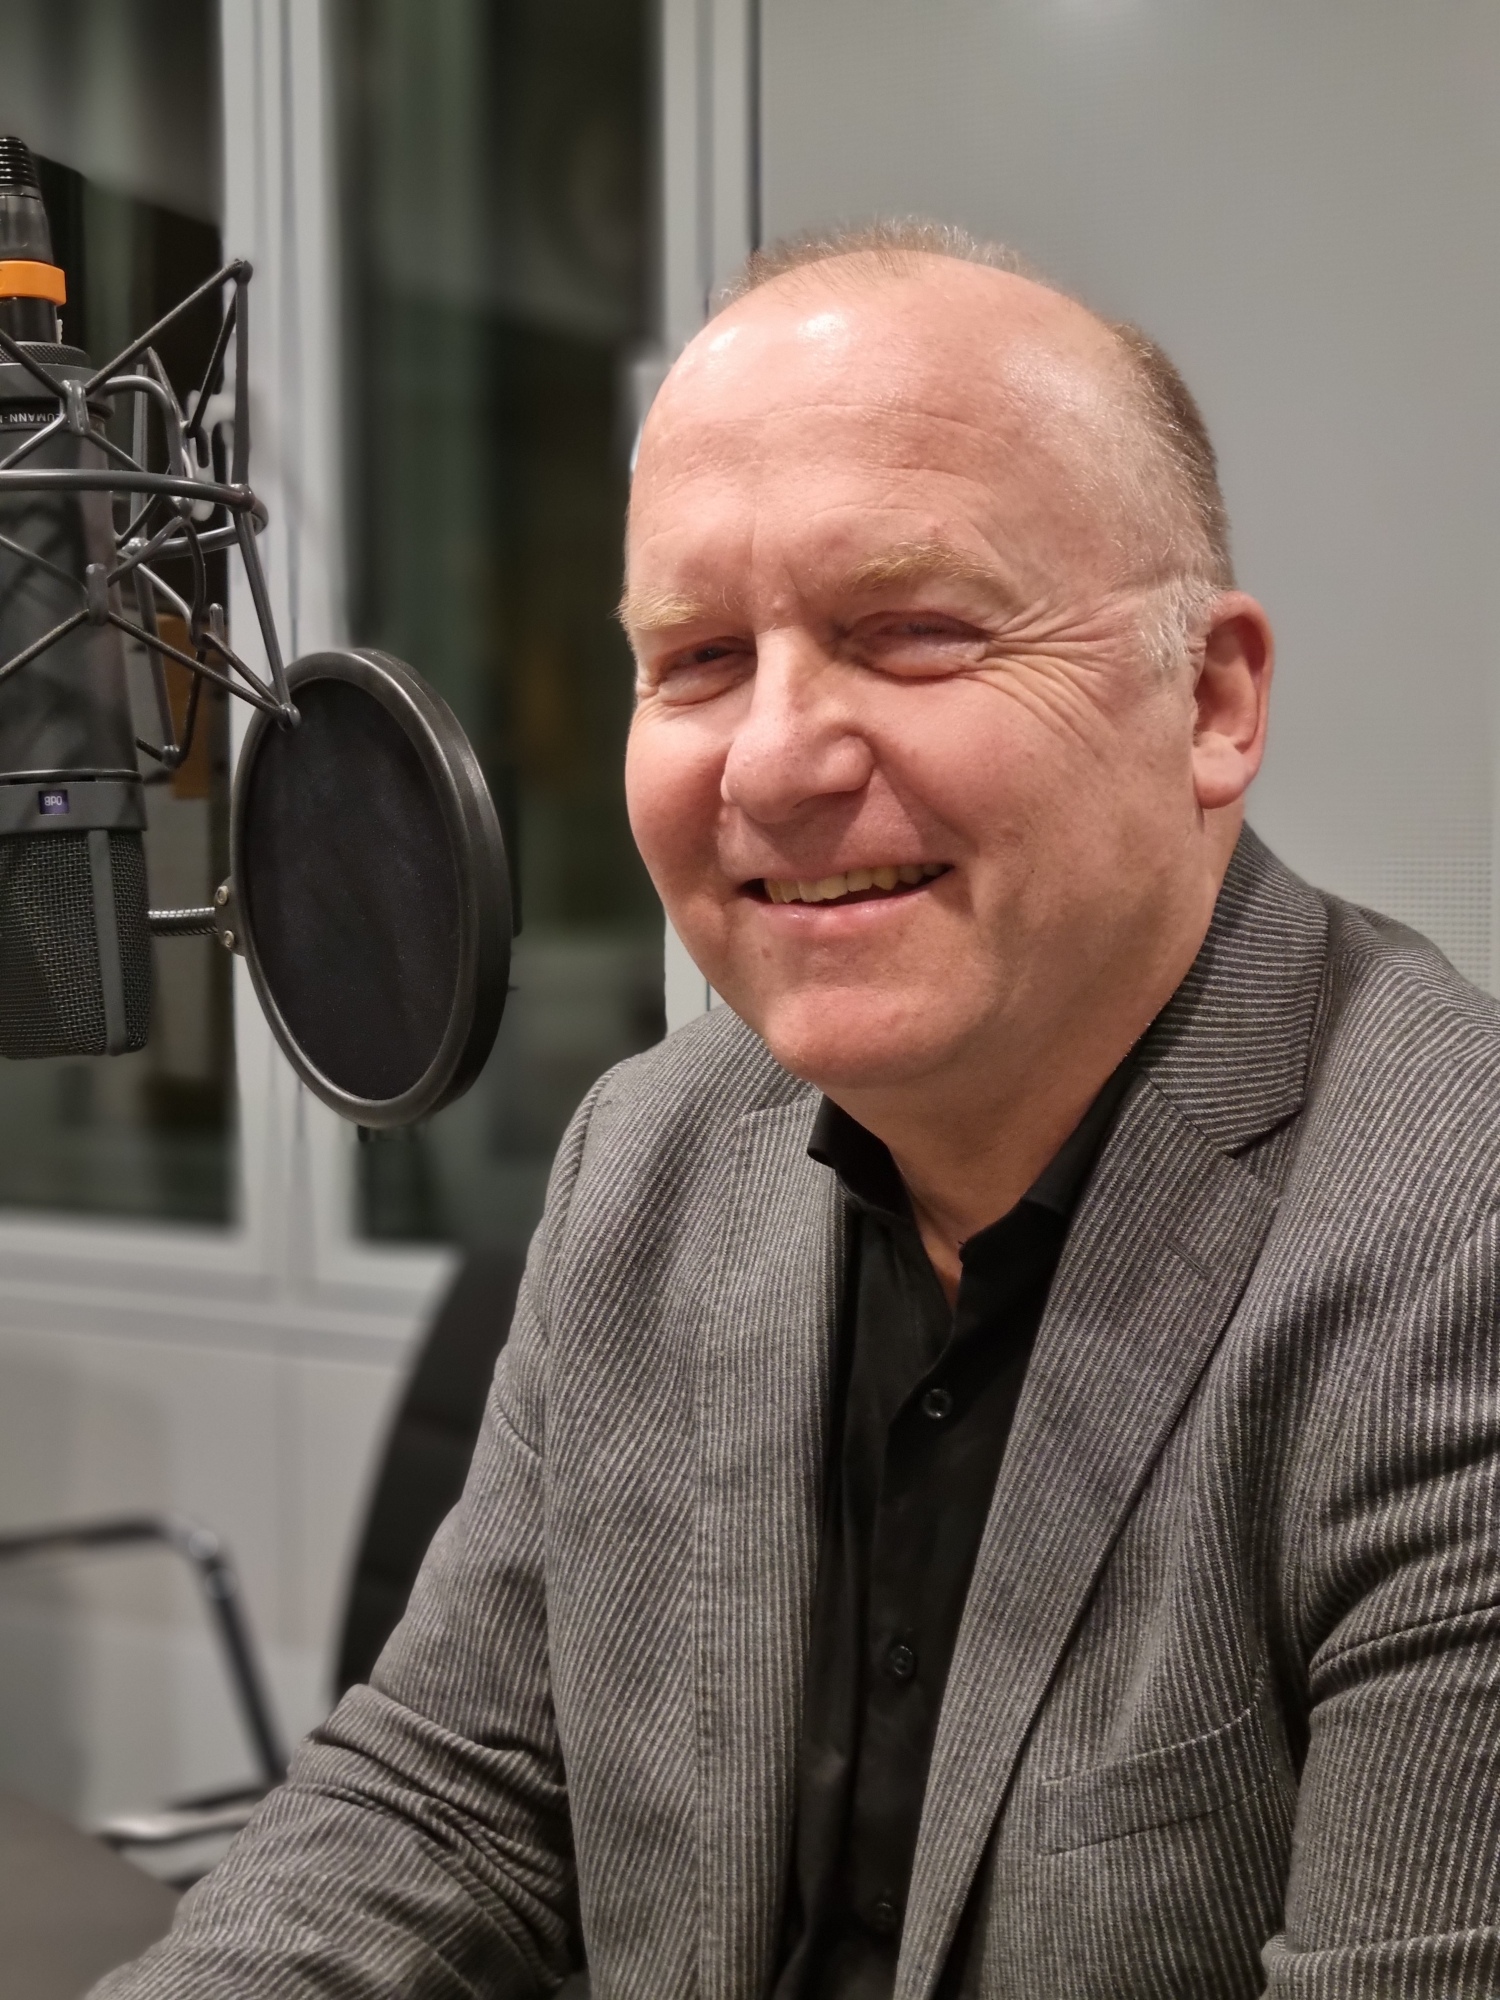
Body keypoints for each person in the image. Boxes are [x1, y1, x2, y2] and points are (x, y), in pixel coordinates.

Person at [99, 224, 1500, 1999]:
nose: (769, 760)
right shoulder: (653, 1156)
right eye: (695, 659)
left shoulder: (1454, 1246)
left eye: (911, 633)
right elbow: (451, 1804)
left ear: (1209, 701)